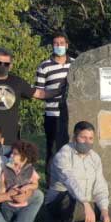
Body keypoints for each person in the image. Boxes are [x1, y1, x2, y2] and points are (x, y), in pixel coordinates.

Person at [41, 121, 111, 222]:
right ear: (74, 137)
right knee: (69, 201)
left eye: (90, 138)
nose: (87, 142)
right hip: (61, 203)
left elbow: (100, 185)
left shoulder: (95, 158)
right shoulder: (63, 155)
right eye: (83, 137)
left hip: (85, 205)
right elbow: (70, 181)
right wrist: (85, 203)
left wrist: (104, 211)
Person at [34, 34, 75, 175]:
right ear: (52, 45)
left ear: (67, 45)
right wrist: (56, 92)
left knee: (71, 148)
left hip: (71, 113)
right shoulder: (44, 66)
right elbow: (38, 92)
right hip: (52, 113)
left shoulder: (75, 64)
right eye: (56, 43)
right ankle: (51, 183)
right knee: (52, 149)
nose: (59, 46)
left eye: (62, 43)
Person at [0, 140, 44, 222]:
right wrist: (2, 190)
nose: (11, 156)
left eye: (15, 154)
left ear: (25, 158)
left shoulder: (30, 170)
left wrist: (27, 187)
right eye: (11, 153)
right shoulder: (7, 167)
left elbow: (35, 184)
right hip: (7, 204)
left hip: (23, 203)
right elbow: (2, 181)